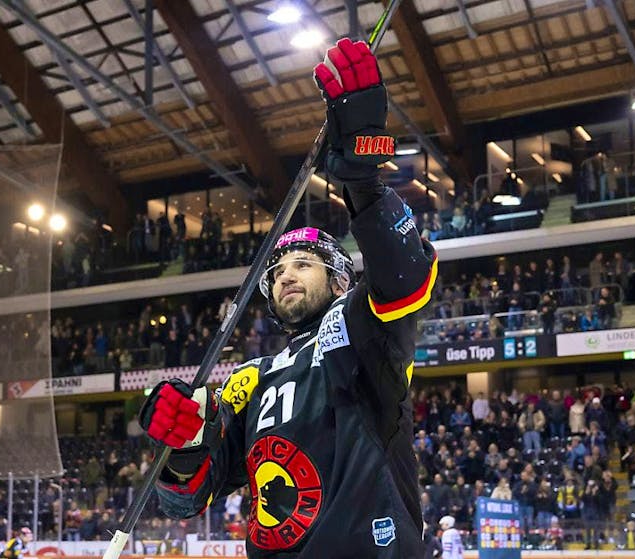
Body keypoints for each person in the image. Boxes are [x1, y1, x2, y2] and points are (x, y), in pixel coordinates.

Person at [140, 38, 436, 558]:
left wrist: (364, 177)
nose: (285, 277)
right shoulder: (248, 378)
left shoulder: (360, 326)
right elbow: (185, 500)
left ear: (341, 280)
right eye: (276, 271)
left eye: (304, 264)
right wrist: (182, 446)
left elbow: (406, 272)